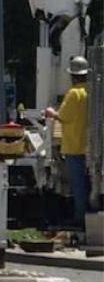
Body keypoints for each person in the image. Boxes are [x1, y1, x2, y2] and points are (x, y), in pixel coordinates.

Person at [45, 56, 91, 230]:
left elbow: (63, 116)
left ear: (72, 76)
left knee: (77, 184)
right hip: (90, 146)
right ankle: (90, 214)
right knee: (88, 183)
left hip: (73, 145)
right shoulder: (91, 92)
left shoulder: (73, 94)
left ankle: (80, 217)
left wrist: (50, 112)